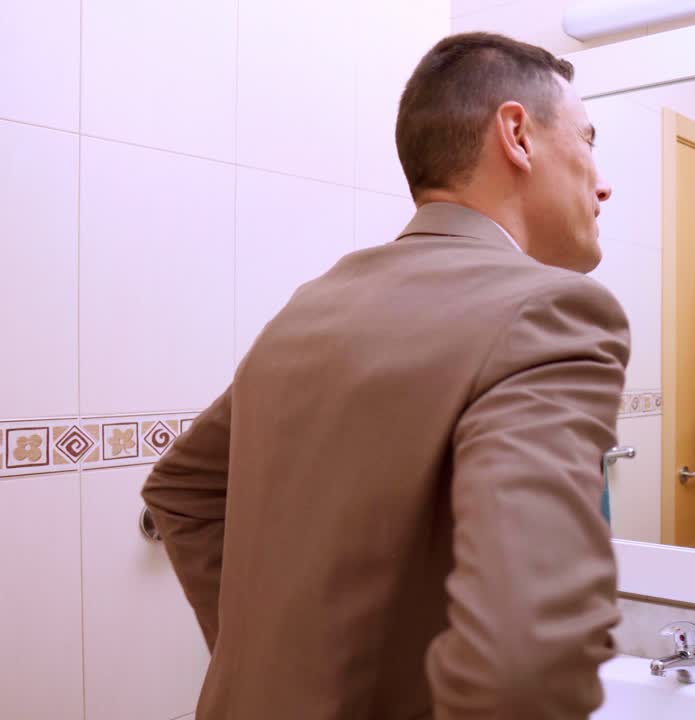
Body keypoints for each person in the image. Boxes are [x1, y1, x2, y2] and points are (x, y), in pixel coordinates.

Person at [142, 33, 629, 719]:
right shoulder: (551, 308)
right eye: (589, 140)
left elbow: (184, 489)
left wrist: (269, 666)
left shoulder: (315, 302)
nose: (603, 180)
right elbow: (527, 661)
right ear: (517, 134)